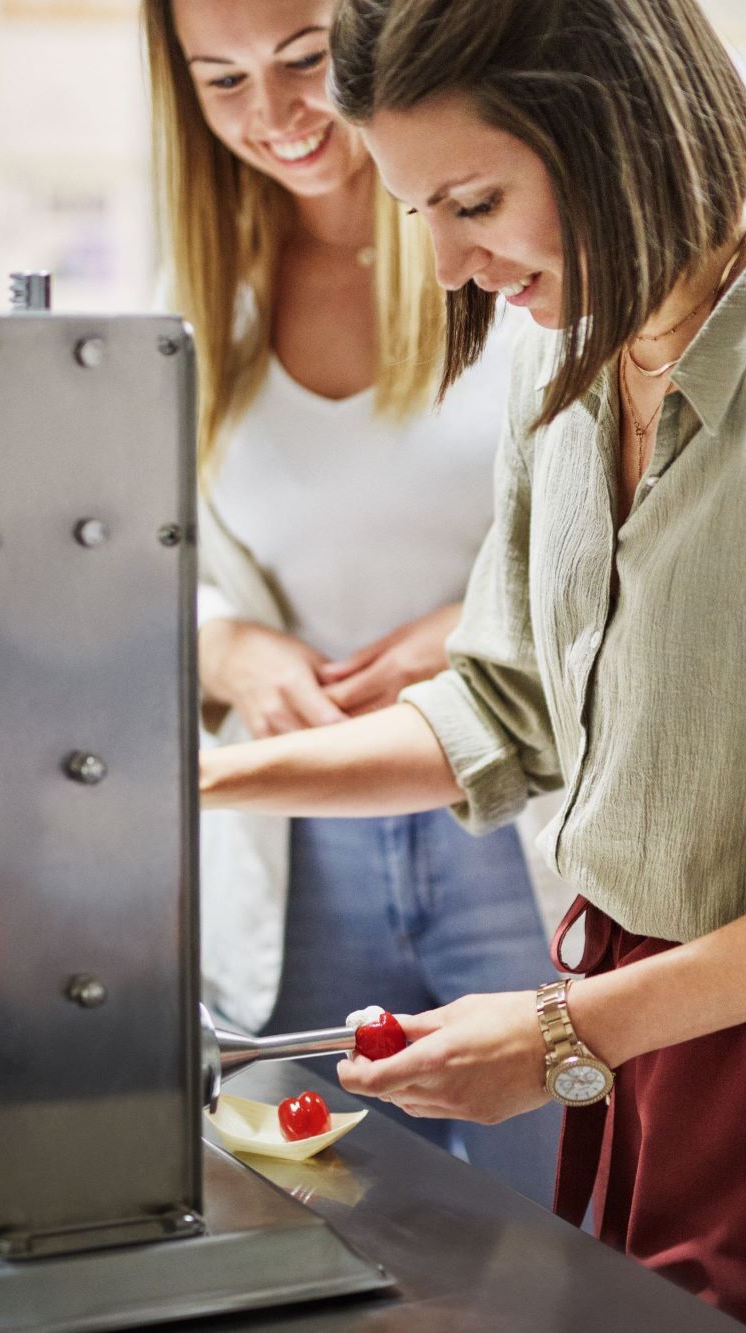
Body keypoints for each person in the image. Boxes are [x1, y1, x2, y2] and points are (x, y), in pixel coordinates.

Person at [200, 0, 746, 1328]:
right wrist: (194, 788)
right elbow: (503, 704)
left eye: (472, 200)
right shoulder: (576, 363)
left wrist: (569, 1032)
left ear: (609, 127)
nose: (442, 267)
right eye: (421, 212)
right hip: (656, 1032)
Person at [142, 0, 561, 1201]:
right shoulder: (198, 290)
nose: (272, 119)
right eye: (219, 82)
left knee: (570, 1228)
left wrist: (473, 630)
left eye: (303, 62)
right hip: (303, 821)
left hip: (510, 816)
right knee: (321, 1221)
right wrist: (224, 647)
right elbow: (143, 557)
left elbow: (624, 517)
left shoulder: (503, 247)